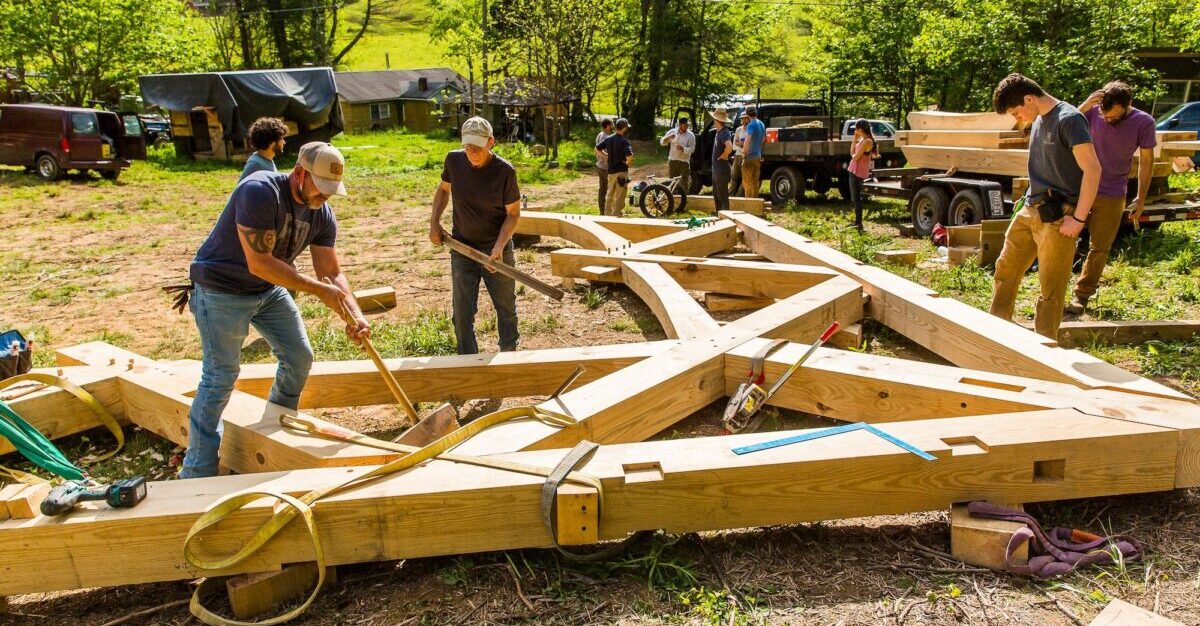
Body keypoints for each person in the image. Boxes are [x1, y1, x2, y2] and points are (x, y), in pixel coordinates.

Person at [181, 142, 367, 478]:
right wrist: (316, 288)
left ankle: (275, 432)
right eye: (320, 187)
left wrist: (354, 313)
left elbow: (332, 272)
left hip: (266, 291)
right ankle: (197, 471)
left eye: (330, 190)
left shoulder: (321, 213)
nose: (324, 196)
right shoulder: (259, 192)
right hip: (221, 289)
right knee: (220, 376)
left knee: (299, 356)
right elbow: (260, 263)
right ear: (299, 173)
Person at [989, 73, 1101, 340]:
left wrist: (1079, 218)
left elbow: (1093, 170)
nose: (1018, 118)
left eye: (1017, 112)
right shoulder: (1038, 119)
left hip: (1059, 216)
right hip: (1030, 208)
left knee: (1051, 287)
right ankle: (993, 332)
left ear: (1029, 99)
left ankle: (1045, 346)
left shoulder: (1069, 120)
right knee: (1005, 269)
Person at [429, 116, 522, 355]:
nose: (472, 152)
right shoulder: (454, 160)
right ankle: (467, 361)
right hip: (462, 248)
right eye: (467, 146)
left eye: (477, 147)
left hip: (495, 250)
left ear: (491, 142)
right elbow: (443, 190)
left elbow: (512, 214)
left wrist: (499, 247)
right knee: (461, 312)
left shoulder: (505, 172)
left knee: (506, 308)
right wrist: (434, 222)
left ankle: (509, 357)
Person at [1066, 81, 1157, 314]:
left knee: (1100, 247)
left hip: (1113, 192)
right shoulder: (1092, 110)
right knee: (1062, 237)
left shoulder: (1144, 122)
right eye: (1104, 116)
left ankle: (1082, 295)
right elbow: (1064, 125)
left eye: (1113, 117)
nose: (1107, 120)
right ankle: (1052, 289)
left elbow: (1147, 162)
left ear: (1128, 105)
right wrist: (1085, 105)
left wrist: (1141, 197)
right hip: (1080, 187)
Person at [847, 119, 879, 230]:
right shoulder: (862, 139)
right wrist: (854, 139)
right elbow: (852, 152)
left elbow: (855, 157)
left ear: (860, 129)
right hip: (853, 169)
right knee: (854, 197)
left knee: (856, 198)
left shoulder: (867, 141)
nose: (855, 131)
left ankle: (858, 223)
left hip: (858, 171)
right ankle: (856, 222)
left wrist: (853, 154)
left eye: (856, 129)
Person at [599, 118, 633, 217]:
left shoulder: (608, 138)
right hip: (621, 171)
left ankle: (607, 214)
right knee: (620, 195)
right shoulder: (624, 141)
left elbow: (597, 149)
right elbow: (630, 155)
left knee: (609, 193)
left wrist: (606, 156)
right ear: (624, 128)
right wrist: (628, 163)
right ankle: (616, 214)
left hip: (611, 172)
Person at [660, 117, 695, 210]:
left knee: (684, 182)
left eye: (687, 125)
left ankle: (684, 205)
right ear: (680, 125)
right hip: (673, 160)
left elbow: (692, 149)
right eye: (685, 125)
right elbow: (662, 142)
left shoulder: (691, 135)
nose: (686, 127)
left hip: (684, 162)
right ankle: (672, 204)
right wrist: (668, 138)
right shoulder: (672, 132)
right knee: (672, 182)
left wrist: (683, 148)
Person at [710, 107, 735, 212]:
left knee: (722, 196)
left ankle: (725, 219)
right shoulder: (718, 132)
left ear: (717, 120)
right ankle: (719, 216)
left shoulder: (724, 132)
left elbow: (729, 146)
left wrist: (724, 155)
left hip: (722, 170)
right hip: (717, 170)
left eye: (714, 119)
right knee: (716, 195)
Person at [741, 106, 766, 198]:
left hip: (749, 157)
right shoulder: (761, 124)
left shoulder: (751, 125)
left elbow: (747, 140)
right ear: (755, 113)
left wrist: (744, 153)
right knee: (755, 181)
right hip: (758, 156)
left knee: (747, 182)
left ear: (747, 115)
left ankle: (749, 204)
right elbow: (763, 139)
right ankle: (755, 203)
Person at [594, 119, 614, 212]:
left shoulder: (600, 134)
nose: (613, 125)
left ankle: (602, 211)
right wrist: (607, 157)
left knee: (602, 189)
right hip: (605, 167)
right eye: (612, 124)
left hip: (600, 166)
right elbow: (598, 150)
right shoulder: (605, 137)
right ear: (608, 126)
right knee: (610, 189)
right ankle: (609, 211)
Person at [729, 111, 748, 197]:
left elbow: (747, 144)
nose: (743, 120)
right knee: (734, 177)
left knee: (744, 178)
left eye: (744, 118)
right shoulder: (738, 129)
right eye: (742, 118)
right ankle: (730, 195)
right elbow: (735, 143)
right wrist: (741, 144)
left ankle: (738, 196)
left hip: (746, 156)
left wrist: (741, 144)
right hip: (737, 155)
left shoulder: (750, 129)